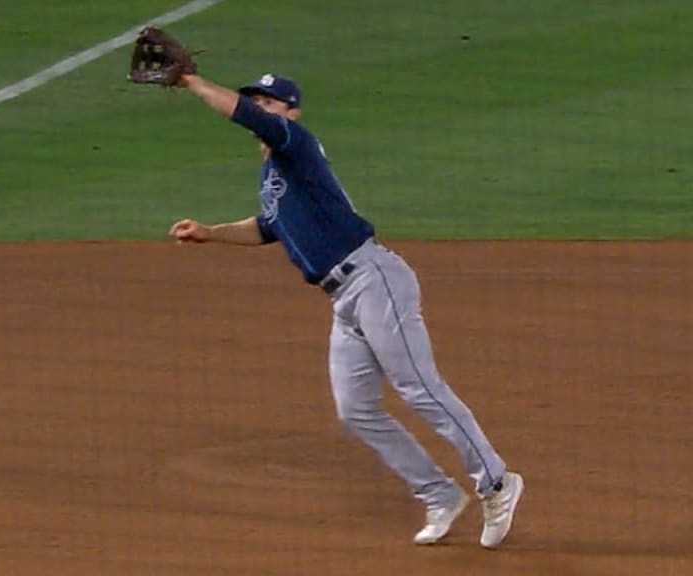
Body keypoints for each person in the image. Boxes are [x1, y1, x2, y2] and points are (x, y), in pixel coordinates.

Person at [168, 71, 524, 548]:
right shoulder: (274, 171)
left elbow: (242, 114)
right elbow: (269, 227)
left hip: (375, 280)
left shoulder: (295, 142)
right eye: (258, 100)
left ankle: (497, 481)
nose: (261, 109)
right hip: (344, 299)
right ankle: (439, 495)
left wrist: (190, 80)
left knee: (418, 387)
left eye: (270, 103)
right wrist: (212, 232)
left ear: (290, 112)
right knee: (355, 410)